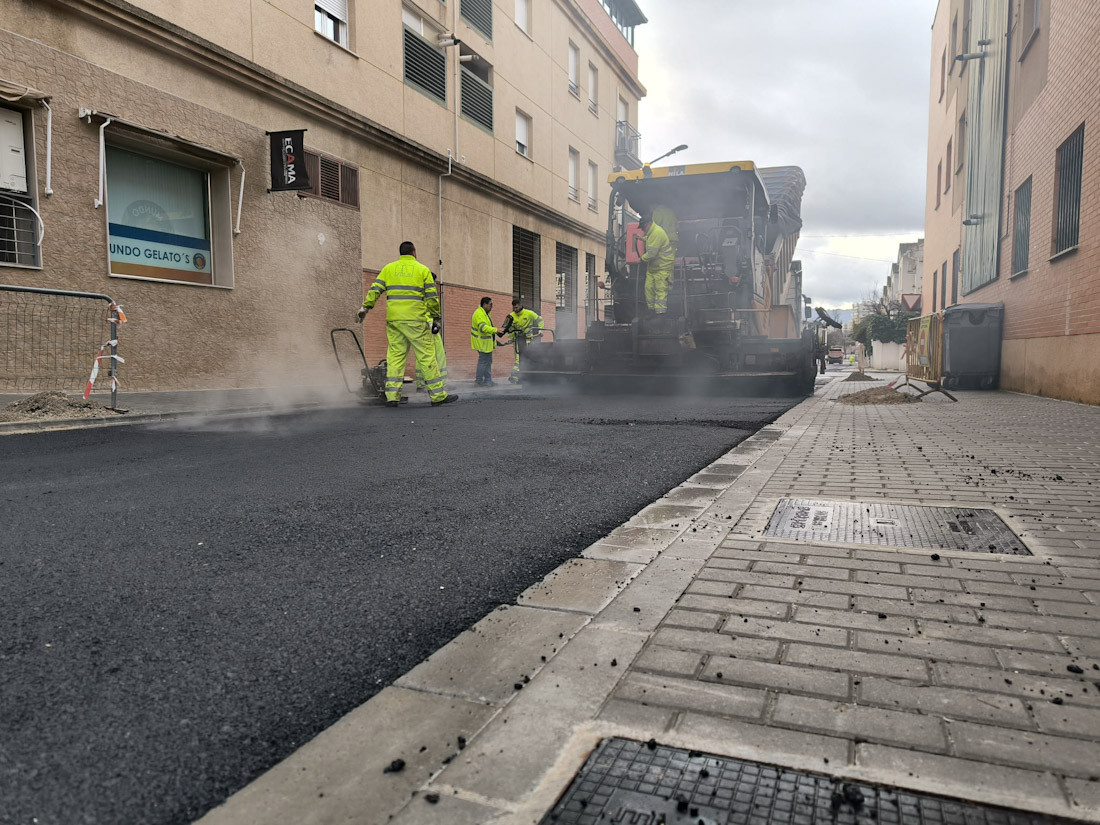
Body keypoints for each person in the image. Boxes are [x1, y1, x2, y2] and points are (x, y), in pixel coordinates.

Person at [357, 241, 456, 407]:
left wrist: (366, 307)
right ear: (414, 252)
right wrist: (436, 318)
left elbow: (375, 289)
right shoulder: (422, 270)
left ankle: (392, 396)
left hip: (394, 321)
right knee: (426, 356)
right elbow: (432, 298)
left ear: (400, 253)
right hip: (416, 320)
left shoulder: (388, 269)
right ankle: (438, 396)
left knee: (395, 357)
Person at [415, 272, 447, 393]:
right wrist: (431, 323)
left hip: (423, 329)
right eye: (433, 282)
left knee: (423, 356)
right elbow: (426, 310)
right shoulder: (427, 294)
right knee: (437, 355)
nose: (435, 284)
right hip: (429, 329)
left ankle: (422, 383)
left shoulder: (418, 293)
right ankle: (438, 383)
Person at [638, 211, 674, 315]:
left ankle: (660, 315)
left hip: (662, 267)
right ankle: (651, 311)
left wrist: (641, 259)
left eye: (643, 227)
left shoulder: (657, 232)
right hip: (653, 268)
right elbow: (650, 239)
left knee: (660, 291)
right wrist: (642, 238)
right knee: (648, 289)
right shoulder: (652, 232)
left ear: (648, 224)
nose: (642, 230)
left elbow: (651, 254)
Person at [505, 297, 544, 384]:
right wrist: (510, 338)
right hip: (517, 341)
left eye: (516, 307)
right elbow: (510, 329)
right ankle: (516, 377)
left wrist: (540, 329)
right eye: (513, 308)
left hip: (528, 340)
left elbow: (539, 320)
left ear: (520, 305)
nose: (515, 309)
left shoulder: (529, 313)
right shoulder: (511, 316)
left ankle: (521, 377)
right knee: (518, 359)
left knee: (526, 358)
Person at [471, 296, 500, 386]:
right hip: (482, 343)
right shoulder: (479, 314)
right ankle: (479, 381)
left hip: (486, 344)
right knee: (483, 362)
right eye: (490, 304)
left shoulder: (485, 314)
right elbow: (483, 328)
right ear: (484, 304)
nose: (492, 307)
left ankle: (487, 381)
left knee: (487, 362)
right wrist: (496, 330)